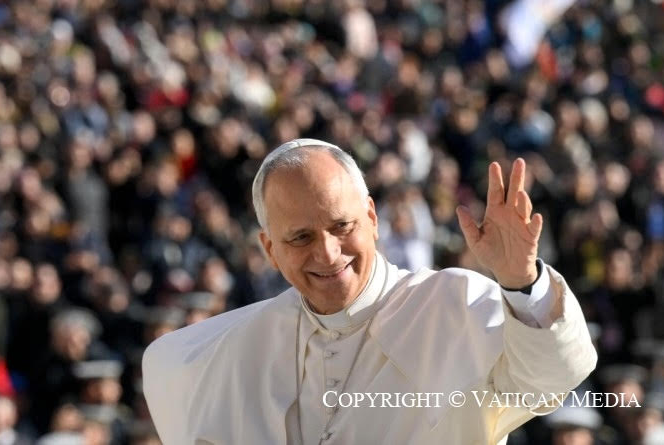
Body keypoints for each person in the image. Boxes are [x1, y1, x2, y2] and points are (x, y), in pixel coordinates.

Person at [142, 138, 597, 444]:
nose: (327, 253)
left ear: (373, 218)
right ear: (269, 249)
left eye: (342, 226)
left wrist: (521, 282)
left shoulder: (453, 304)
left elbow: (552, 377)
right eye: (300, 237)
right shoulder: (232, 348)